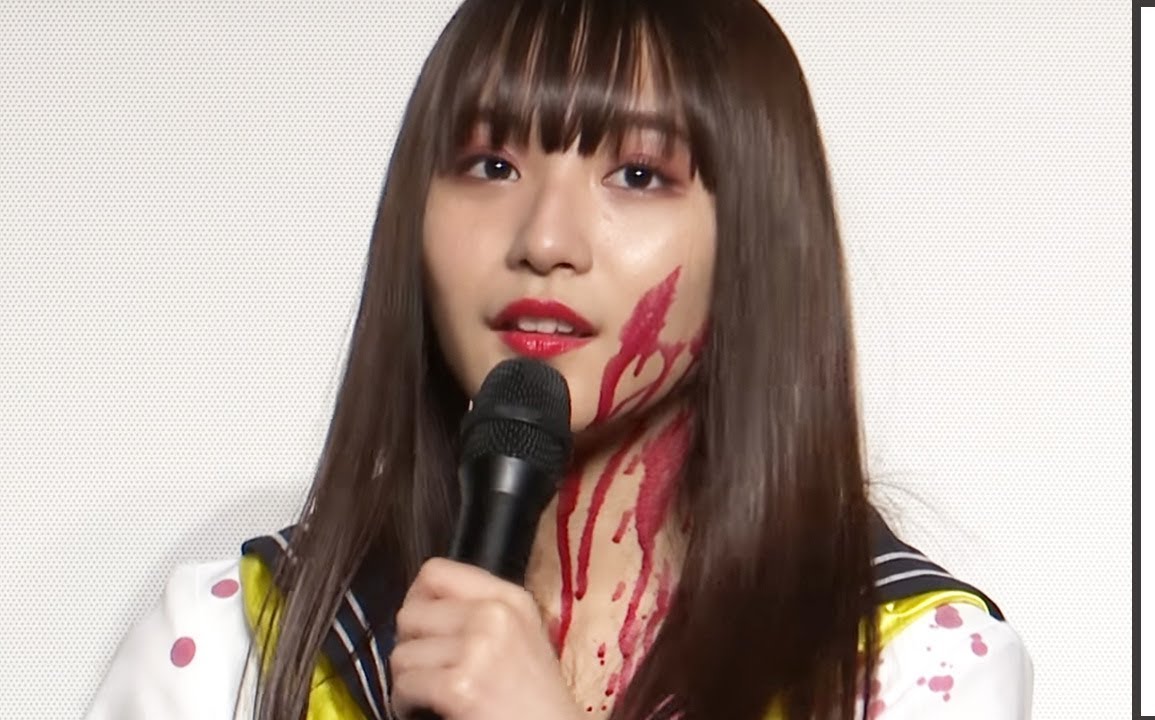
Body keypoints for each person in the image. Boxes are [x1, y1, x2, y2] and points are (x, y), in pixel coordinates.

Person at [85, 0, 1033, 718]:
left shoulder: (910, 665)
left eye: (638, 174)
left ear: (753, 241)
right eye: (490, 166)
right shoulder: (231, 643)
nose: (544, 239)